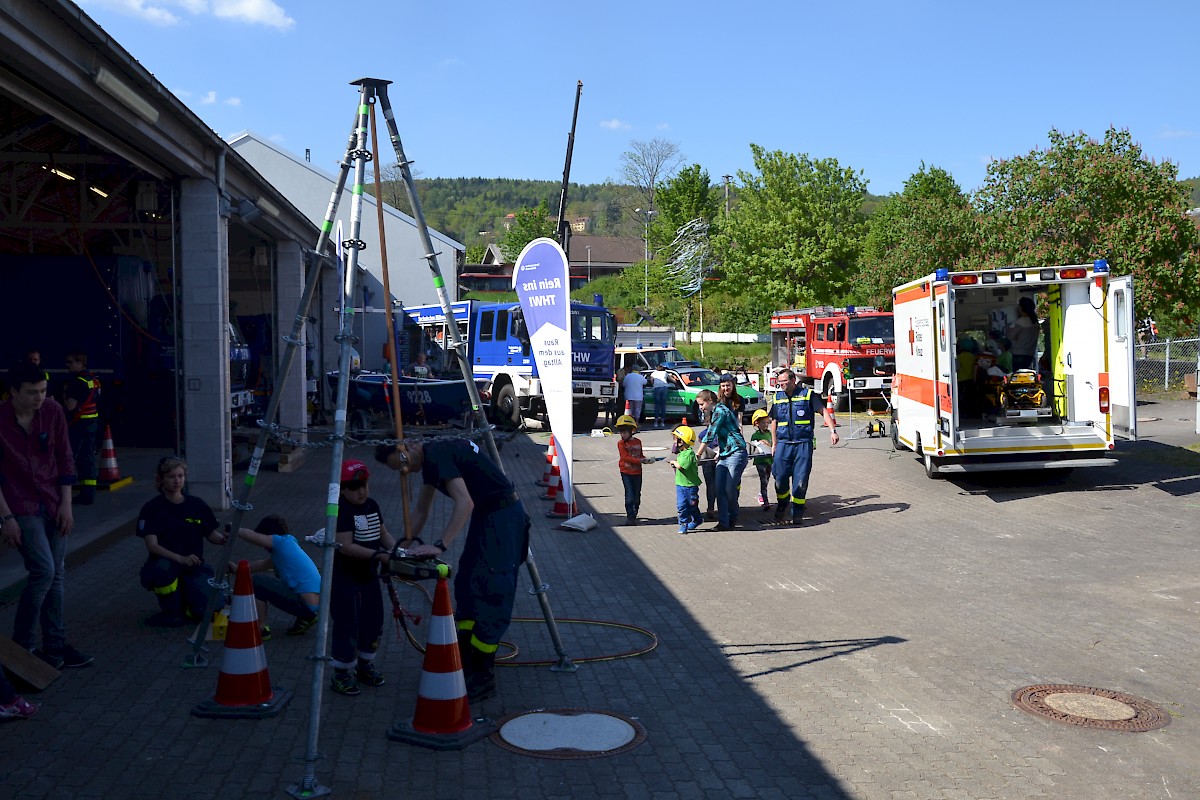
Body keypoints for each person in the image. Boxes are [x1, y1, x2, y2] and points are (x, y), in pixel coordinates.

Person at [382, 436, 531, 703]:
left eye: (402, 462)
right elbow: (420, 511)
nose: (404, 470)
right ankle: (464, 657)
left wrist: (439, 545)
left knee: (491, 589)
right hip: (488, 516)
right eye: (398, 470)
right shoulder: (430, 459)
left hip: (502, 516)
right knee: (468, 583)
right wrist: (399, 551)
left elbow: (465, 503)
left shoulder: (437, 453)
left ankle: (483, 677)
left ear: (411, 445)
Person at [0, 361, 91, 670]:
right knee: (44, 571)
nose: (40, 398)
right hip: (19, 505)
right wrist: (6, 518)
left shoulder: (52, 411)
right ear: (12, 392)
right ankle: (22, 644)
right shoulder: (0, 420)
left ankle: (55, 644)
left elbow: (65, 457)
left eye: (43, 391)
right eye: (32, 393)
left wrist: (67, 504)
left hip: (52, 502)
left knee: (57, 575)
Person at [329, 459, 396, 696]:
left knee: (373, 620)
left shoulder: (372, 505)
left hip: (369, 578)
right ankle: (341, 673)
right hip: (346, 578)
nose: (362, 491)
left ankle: (365, 665)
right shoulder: (342, 510)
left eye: (365, 485)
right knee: (347, 623)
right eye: (355, 487)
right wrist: (379, 555)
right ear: (344, 489)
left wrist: (398, 551)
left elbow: (383, 533)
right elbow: (345, 546)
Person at [136, 455, 228, 627]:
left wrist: (224, 539)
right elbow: (152, 545)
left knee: (209, 611)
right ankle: (171, 611)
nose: (177, 481)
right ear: (161, 479)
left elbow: (211, 534)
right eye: (171, 477)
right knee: (160, 570)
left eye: (180, 476)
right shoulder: (152, 509)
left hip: (194, 566)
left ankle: (189, 602)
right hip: (167, 565)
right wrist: (179, 558)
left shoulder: (196, 505)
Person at [764, 368, 838, 527]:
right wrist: (774, 444)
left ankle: (797, 511)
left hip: (803, 444)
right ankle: (782, 503)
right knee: (780, 478)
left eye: (784, 382)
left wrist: (833, 431)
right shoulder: (777, 398)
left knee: (800, 480)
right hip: (783, 444)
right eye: (779, 382)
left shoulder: (808, 395)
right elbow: (774, 422)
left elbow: (823, 411)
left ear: (793, 381)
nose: (781, 385)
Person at [230, 514, 320, 640]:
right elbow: (263, 565)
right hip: (313, 603)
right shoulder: (287, 544)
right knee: (270, 581)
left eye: (264, 542)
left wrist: (233, 529)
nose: (264, 546)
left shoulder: (280, 542)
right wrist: (238, 569)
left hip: (304, 603)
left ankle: (261, 628)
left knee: (257, 582)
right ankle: (306, 617)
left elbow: (250, 536)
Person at [694, 389, 748, 531]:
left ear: (709, 401)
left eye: (701, 404)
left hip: (736, 452)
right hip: (725, 454)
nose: (701, 408)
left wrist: (698, 455)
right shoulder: (714, 412)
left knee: (729, 489)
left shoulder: (720, 411)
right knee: (719, 490)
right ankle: (723, 522)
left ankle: (733, 517)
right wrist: (720, 451)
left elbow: (710, 434)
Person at [62, 350, 101, 505]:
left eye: (71, 362)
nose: (67, 365)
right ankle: (88, 493)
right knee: (88, 458)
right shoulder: (92, 380)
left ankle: (65, 490)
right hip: (92, 424)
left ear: (80, 363)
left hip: (78, 425)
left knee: (70, 457)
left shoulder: (76, 381)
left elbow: (70, 406)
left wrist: (64, 394)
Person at [615, 414, 654, 525]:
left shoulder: (638, 442)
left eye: (624, 432)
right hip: (626, 472)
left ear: (631, 431)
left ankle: (635, 511)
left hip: (637, 472)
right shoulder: (621, 443)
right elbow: (625, 457)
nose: (622, 434)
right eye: (620, 432)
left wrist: (646, 460)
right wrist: (640, 461)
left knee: (637, 495)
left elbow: (640, 455)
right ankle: (630, 517)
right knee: (629, 495)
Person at [668, 425, 702, 535]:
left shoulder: (689, 454)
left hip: (690, 486)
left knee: (692, 506)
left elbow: (681, 466)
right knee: (681, 505)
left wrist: (673, 462)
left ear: (682, 440)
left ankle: (697, 519)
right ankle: (683, 524)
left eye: (676, 438)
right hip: (680, 485)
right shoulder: (681, 453)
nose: (674, 441)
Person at [749, 409, 774, 510]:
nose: (765, 425)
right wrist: (759, 442)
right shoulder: (756, 435)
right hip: (760, 461)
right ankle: (765, 501)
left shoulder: (770, 434)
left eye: (767, 422)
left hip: (769, 460)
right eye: (762, 422)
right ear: (757, 423)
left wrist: (769, 445)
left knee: (767, 479)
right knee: (763, 479)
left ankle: (761, 494)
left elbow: (773, 445)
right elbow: (753, 445)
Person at [1009, 296, 1039, 370]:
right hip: (1030, 354)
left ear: (1022, 308)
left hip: (1019, 354)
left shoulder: (1021, 322)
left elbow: (1010, 337)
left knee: (1017, 376)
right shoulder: (1035, 322)